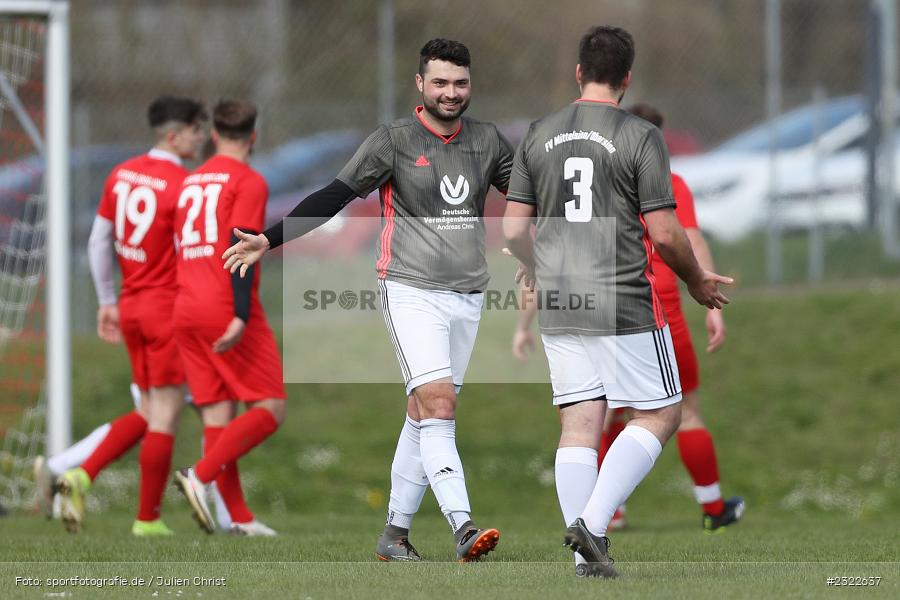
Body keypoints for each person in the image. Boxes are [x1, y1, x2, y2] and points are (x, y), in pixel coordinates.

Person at [222, 39, 512, 562]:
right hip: (409, 289)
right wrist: (270, 239)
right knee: (440, 405)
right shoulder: (393, 141)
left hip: (469, 295)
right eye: (441, 82)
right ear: (420, 85)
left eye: (460, 83)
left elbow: (529, 197)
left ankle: (394, 537)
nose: (451, 92)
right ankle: (463, 526)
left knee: (423, 415)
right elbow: (335, 195)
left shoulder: (490, 141)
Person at [502, 26, 732, 578]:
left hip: (562, 298)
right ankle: (595, 525)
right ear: (627, 79)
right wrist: (698, 281)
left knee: (580, 424)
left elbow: (512, 230)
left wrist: (538, 268)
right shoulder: (640, 136)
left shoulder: (538, 133)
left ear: (578, 73)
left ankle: (587, 562)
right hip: (623, 296)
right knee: (661, 411)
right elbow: (667, 233)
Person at [56, 96, 207, 536]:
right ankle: (146, 519)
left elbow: (98, 242)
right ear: (175, 135)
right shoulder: (184, 185)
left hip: (132, 305)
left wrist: (107, 300)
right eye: (197, 130)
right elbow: (188, 254)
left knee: (147, 410)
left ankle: (78, 475)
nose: (202, 138)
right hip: (166, 309)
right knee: (165, 415)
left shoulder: (121, 173)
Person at [172, 99, 285, 537]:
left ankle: (237, 518)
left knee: (218, 414)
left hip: (186, 307)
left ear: (215, 135)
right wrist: (239, 313)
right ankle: (198, 476)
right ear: (253, 137)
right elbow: (243, 247)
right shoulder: (249, 180)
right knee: (270, 407)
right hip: (223, 306)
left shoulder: (190, 181)